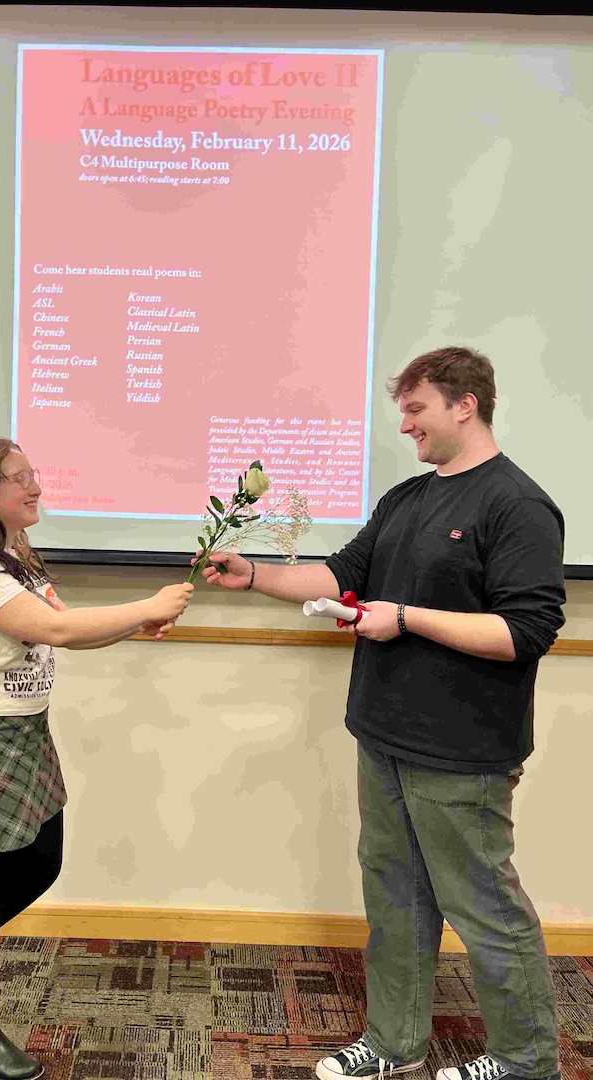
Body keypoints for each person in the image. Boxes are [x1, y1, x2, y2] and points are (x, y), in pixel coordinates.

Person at [198, 348, 564, 1080]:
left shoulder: (517, 504)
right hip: (383, 734)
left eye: (416, 408)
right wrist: (254, 577)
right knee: (394, 898)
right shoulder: (408, 499)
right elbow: (340, 573)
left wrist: (405, 617)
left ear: (465, 404)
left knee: (484, 904)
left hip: (463, 751)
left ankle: (527, 1060)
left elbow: (524, 632)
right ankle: (395, 1045)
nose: (405, 426)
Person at [0, 438, 193, 1080]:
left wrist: (133, 624)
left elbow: (66, 628)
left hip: (25, 736)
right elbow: (54, 631)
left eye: (34, 474)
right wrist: (147, 606)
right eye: (18, 478)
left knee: (42, 864)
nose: (35, 486)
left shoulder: (13, 558)